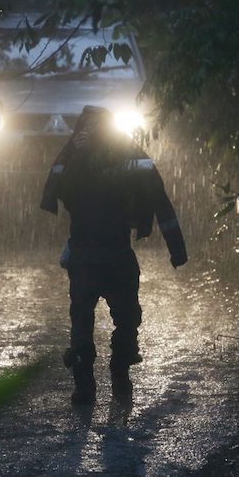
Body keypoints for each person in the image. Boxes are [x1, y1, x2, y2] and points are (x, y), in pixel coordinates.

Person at [40, 105, 188, 404]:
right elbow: (160, 201)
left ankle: (102, 378)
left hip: (96, 255)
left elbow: (57, 191)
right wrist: (177, 249)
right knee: (118, 318)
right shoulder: (108, 156)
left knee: (98, 318)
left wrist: (177, 249)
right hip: (107, 255)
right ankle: (106, 377)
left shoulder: (83, 156)